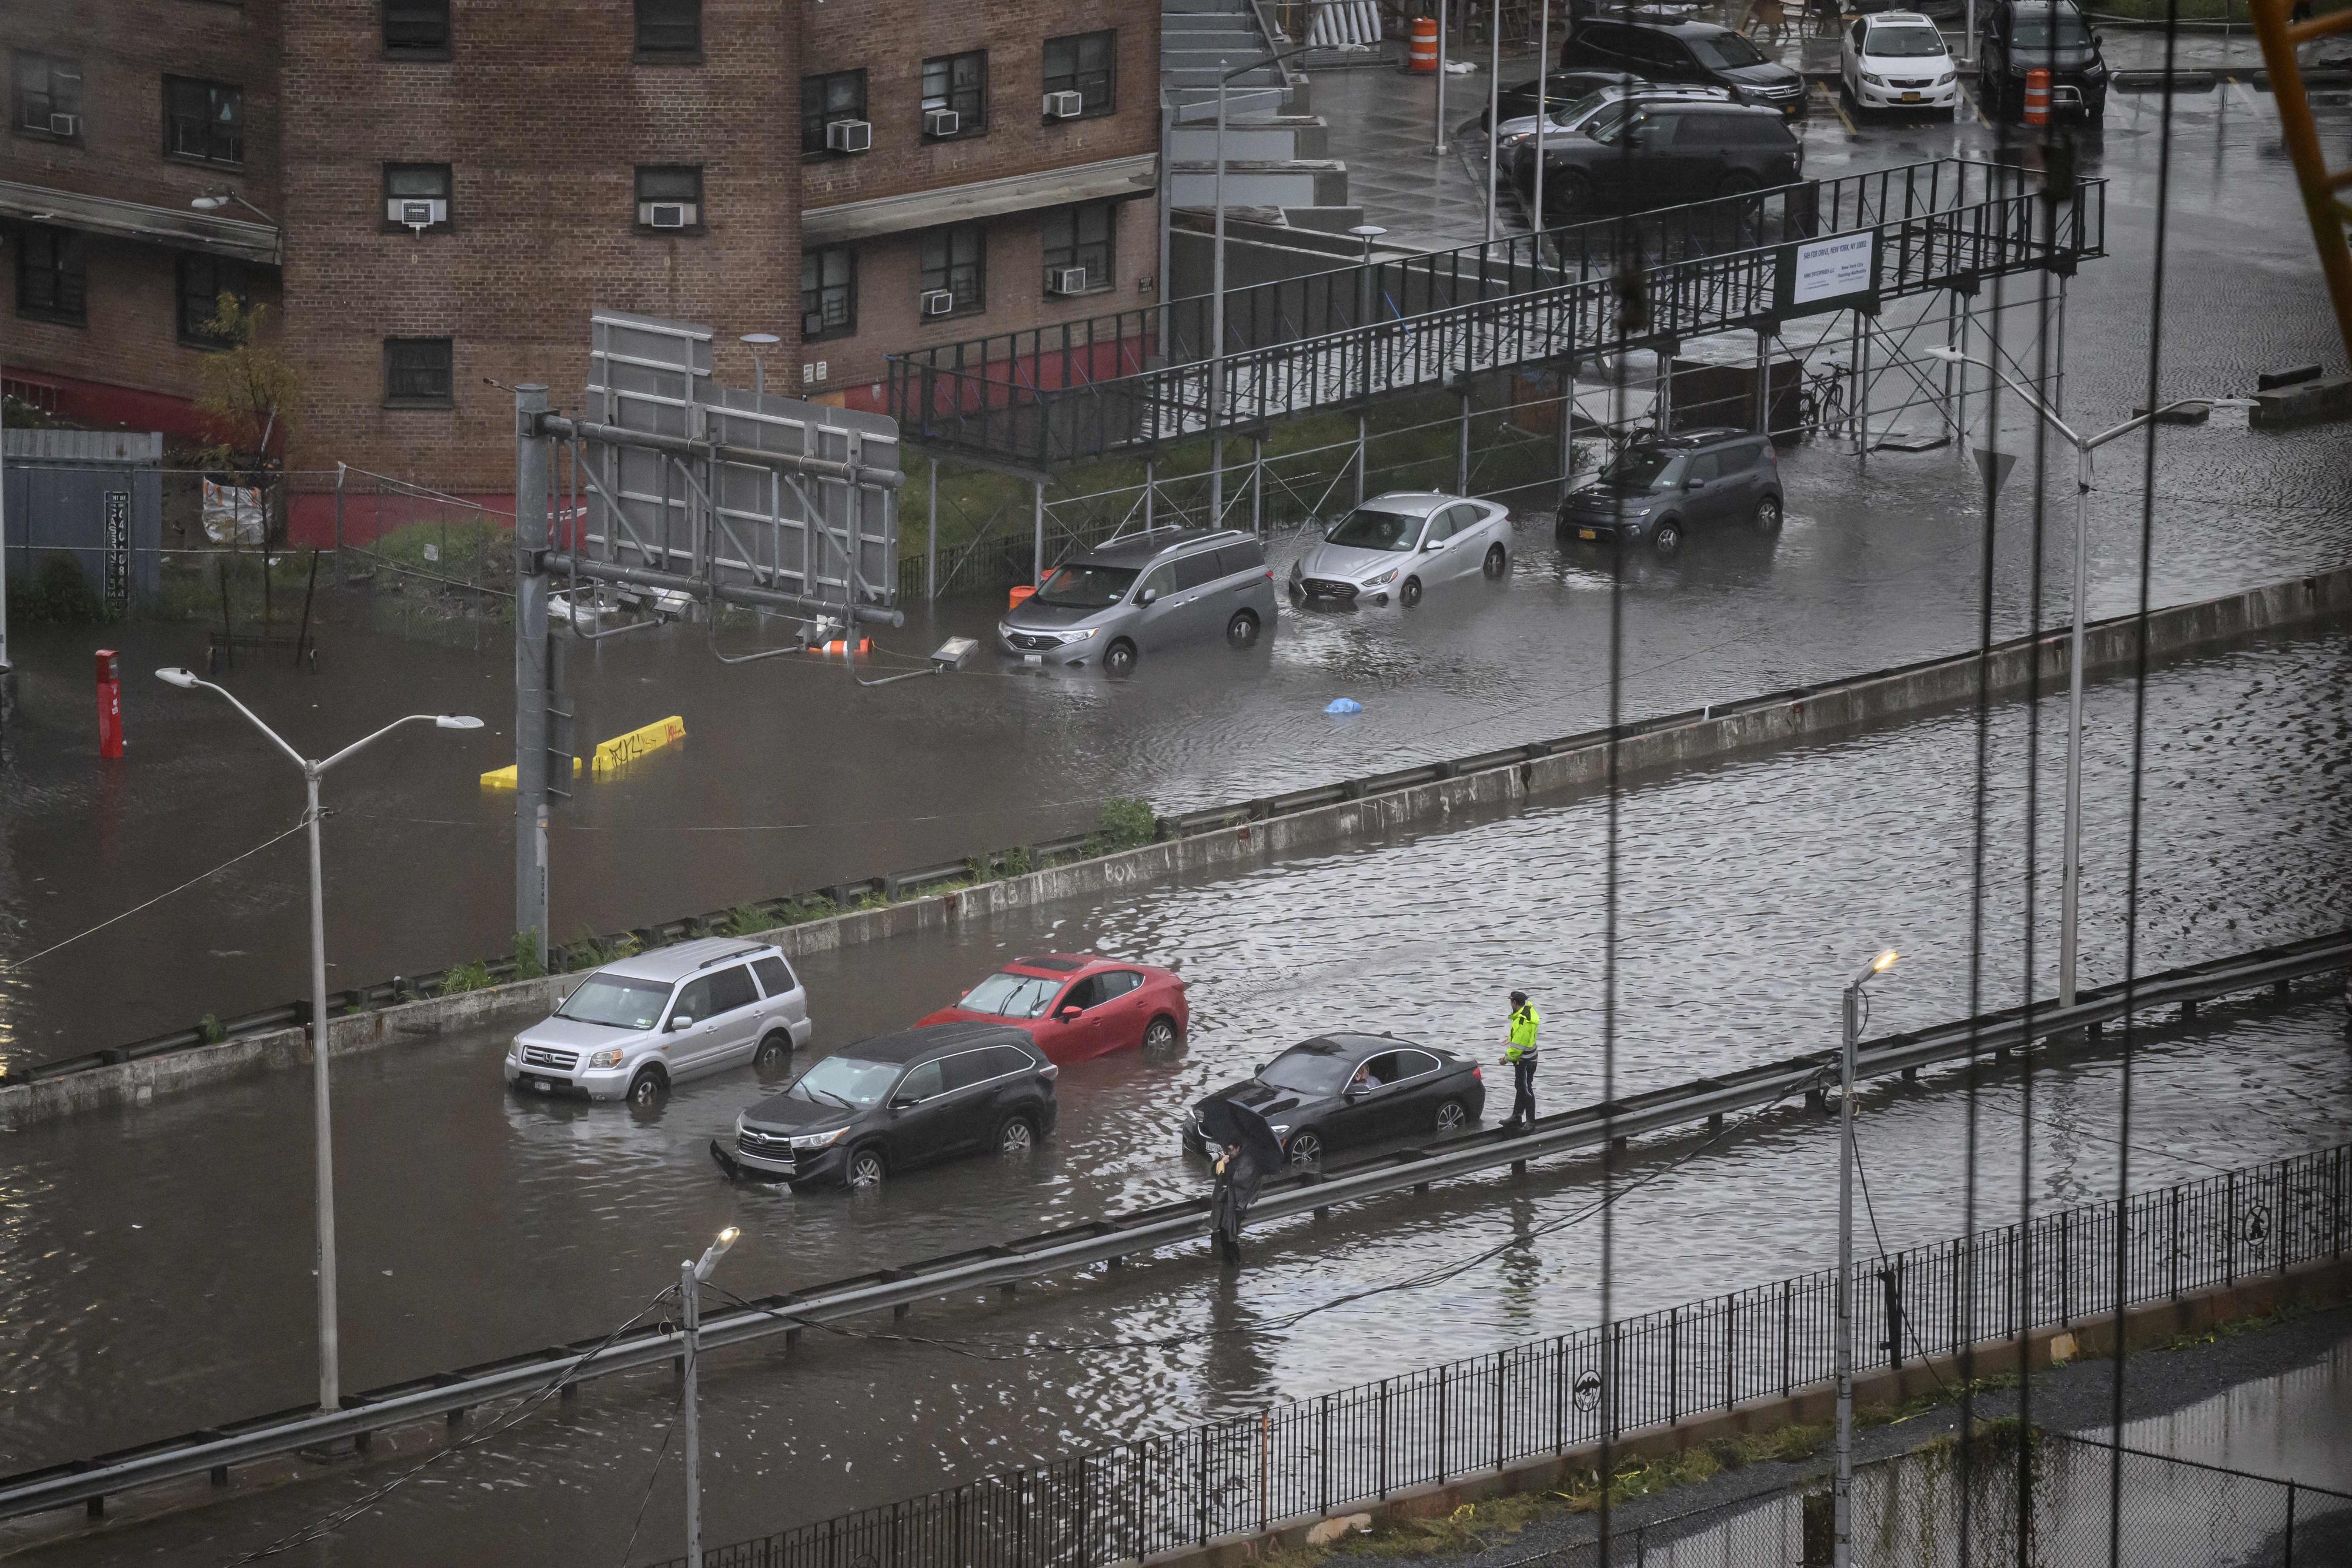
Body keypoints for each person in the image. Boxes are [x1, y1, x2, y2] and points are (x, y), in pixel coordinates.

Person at [1211, 1140, 1267, 1266]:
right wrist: (1220, 1165)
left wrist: (1227, 1165)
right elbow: (1222, 1176)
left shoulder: (1248, 1160)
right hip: (1229, 1200)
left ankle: (1235, 1264)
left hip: (1238, 1203)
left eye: (1231, 1150)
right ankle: (1230, 1265)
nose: (1229, 1153)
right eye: (1227, 1150)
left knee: (1230, 1235)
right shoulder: (1236, 1158)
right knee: (1224, 1232)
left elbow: (1239, 1179)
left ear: (1238, 1148)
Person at [1499, 989, 1540, 1131]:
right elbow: (1522, 1037)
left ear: (1514, 1003)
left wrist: (1506, 1059)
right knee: (1521, 1087)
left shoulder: (1523, 1021)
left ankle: (1530, 1122)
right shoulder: (1526, 1013)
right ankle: (1516, 1116)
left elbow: (1518, 1048)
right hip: (1528, 1059)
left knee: (1526, 1089)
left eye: (1511, 1001)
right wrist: (1510, 1039)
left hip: (1525, 1061)